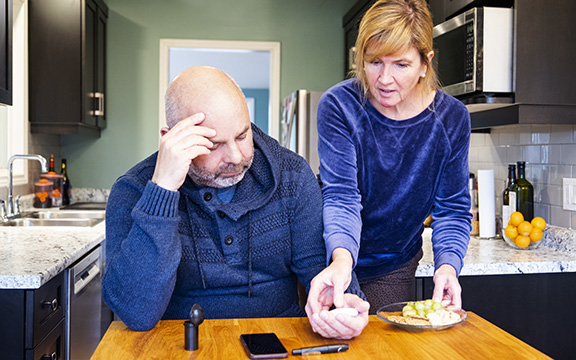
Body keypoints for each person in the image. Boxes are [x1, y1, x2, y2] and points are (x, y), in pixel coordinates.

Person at [102, 66, 369, 339]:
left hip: (278, 340)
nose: (235, 156)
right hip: (179, 342)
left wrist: (344, 306)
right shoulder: (134, 190)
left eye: (242, 136)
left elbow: (321, 272)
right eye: (214, 144)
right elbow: (136, 313)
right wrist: (164, 190)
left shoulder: (293, 176)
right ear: (172, 139)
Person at [305, 0, 471, 322]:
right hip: (328, 255)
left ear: (425, 63)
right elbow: (341, 196)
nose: (384, 79)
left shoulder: (451, 119)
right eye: (374, 62)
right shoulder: (340, 106)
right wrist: (340, 262)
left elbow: (451, 209)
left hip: (393, 263)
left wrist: (448, 266)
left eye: (401, 65)